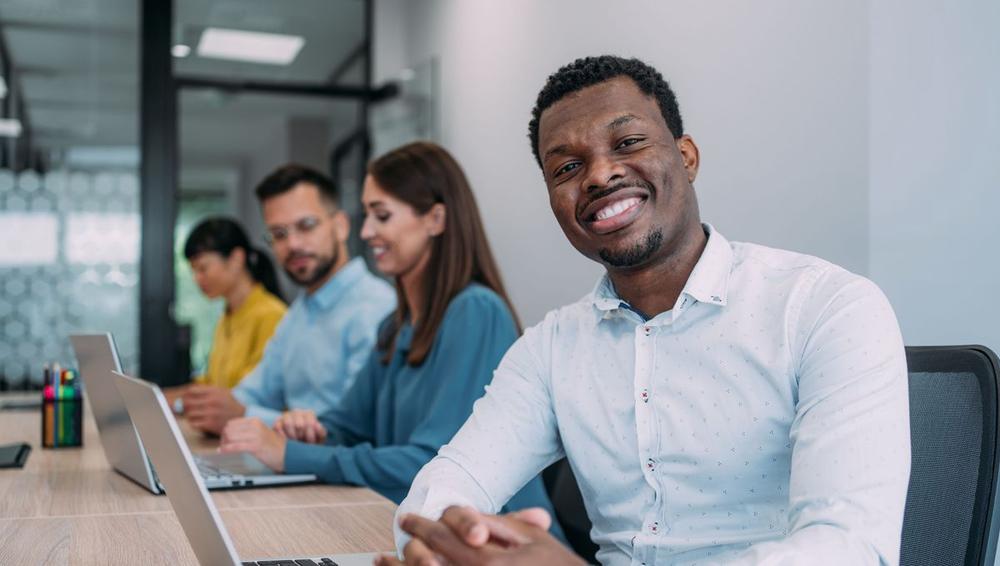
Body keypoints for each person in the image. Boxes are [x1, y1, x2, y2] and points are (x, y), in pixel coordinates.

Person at [391, 55, 911, 566]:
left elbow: (848, 546)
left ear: (686, 157)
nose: (598, 175)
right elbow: (451, 479)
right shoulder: (550, 348)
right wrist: (441, 543)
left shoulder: (826, 307)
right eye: (567, 167)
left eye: (627, 142)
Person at [218, 142, 562, 531]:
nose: (366, 232)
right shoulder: (395, 327)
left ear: (435, 219)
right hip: (417, 531)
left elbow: (435, 464)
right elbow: (348, 426)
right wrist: (310, 432)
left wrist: (291, 456)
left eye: (381, 216)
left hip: (498, 542)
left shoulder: (475, 311)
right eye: (366, 215)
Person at [183, 164, 395, 435]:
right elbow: (256, 390)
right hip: (293, 460)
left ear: (341, 226)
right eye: (279, 234)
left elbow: (356, 427)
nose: (292, 244)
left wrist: (243, 414)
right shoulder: (299, 312)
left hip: (336, 471)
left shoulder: (376, 309)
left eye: (306, 226)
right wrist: (217, 406)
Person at [172, 218, 287, 402]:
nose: (197, 279)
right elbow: (212, 384)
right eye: (193, 271)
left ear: (236, 259)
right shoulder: (227, 316)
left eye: (203, 268)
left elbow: (254, 397)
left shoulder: (271, 315)